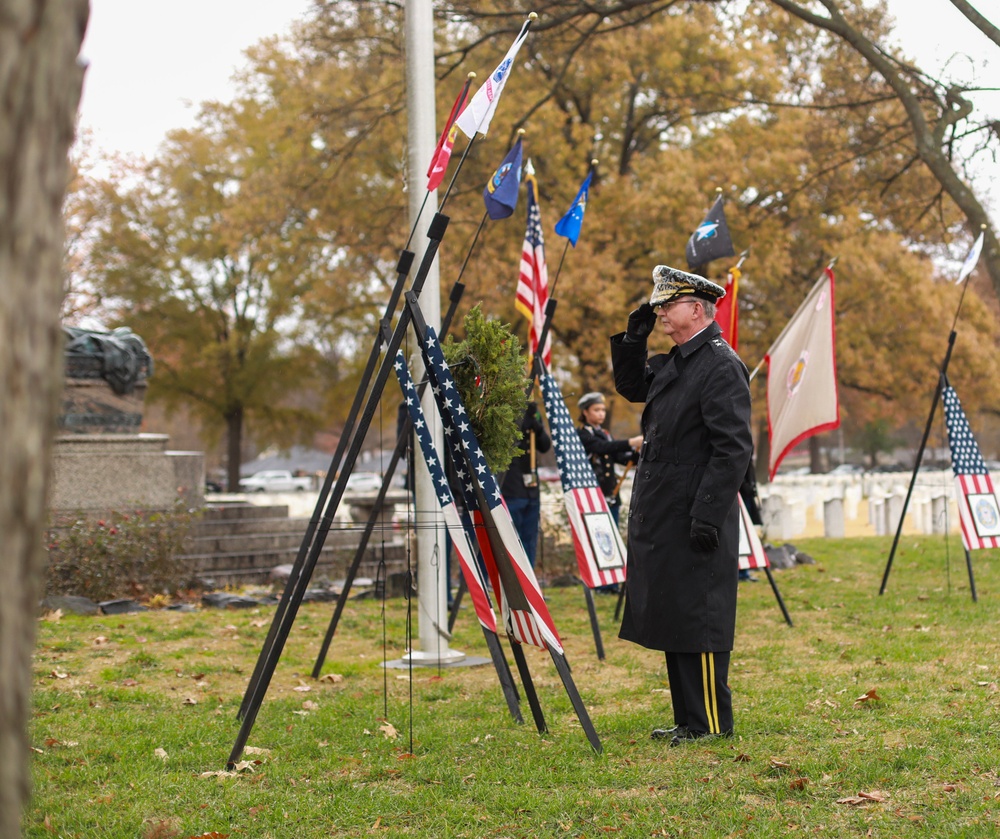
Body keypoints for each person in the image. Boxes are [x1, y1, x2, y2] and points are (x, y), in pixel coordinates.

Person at [610, 264, 753, 746]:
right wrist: (633, 341)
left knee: (702, 615)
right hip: (669, 509)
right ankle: (690, 720)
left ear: (697, 308)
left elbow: (732, 448)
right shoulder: (680, 361)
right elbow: (633, 388)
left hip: (697, 512)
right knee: (677, 613)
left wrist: (707, 514)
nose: (660, 313)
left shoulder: (719, 364)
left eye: (667, 306)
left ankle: (711, 722)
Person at [576, 392, 642, 527]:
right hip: (593, 493)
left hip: (611, 493)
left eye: (603, 410)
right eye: (596, 410)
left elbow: (619, 457)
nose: (601, 414)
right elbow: (601, 447)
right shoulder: (582, 433)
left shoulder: (605, 434)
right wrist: (631, 442)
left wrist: (636, 455)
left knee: (613, 532)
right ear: (585, 412)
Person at [500, 401, 552, 568]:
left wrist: (536, 425)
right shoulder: (505, 407)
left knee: (530, 536)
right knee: (512, 535)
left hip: (531, 486)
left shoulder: (532, 411)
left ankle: (528, 577)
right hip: (512, 482)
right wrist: (522, 420)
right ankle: (514, 576)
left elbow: (544, 445)